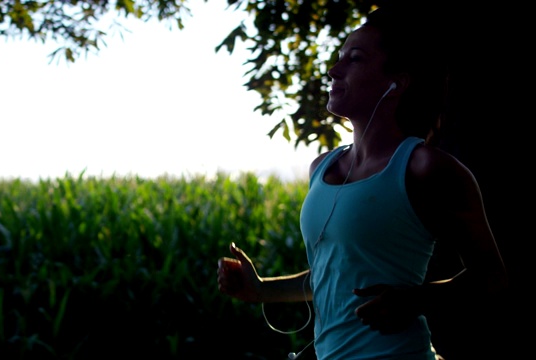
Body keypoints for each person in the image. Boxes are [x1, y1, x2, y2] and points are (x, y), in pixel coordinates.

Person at [216, 3, 508, 360]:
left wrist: (415, 299)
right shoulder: (322, 168)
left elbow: (491, 277)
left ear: (397, 81)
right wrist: (261, 290)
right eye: (338, 58)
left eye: (353, 59)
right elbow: (337, 275)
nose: (333, 71)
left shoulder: (425, 167)